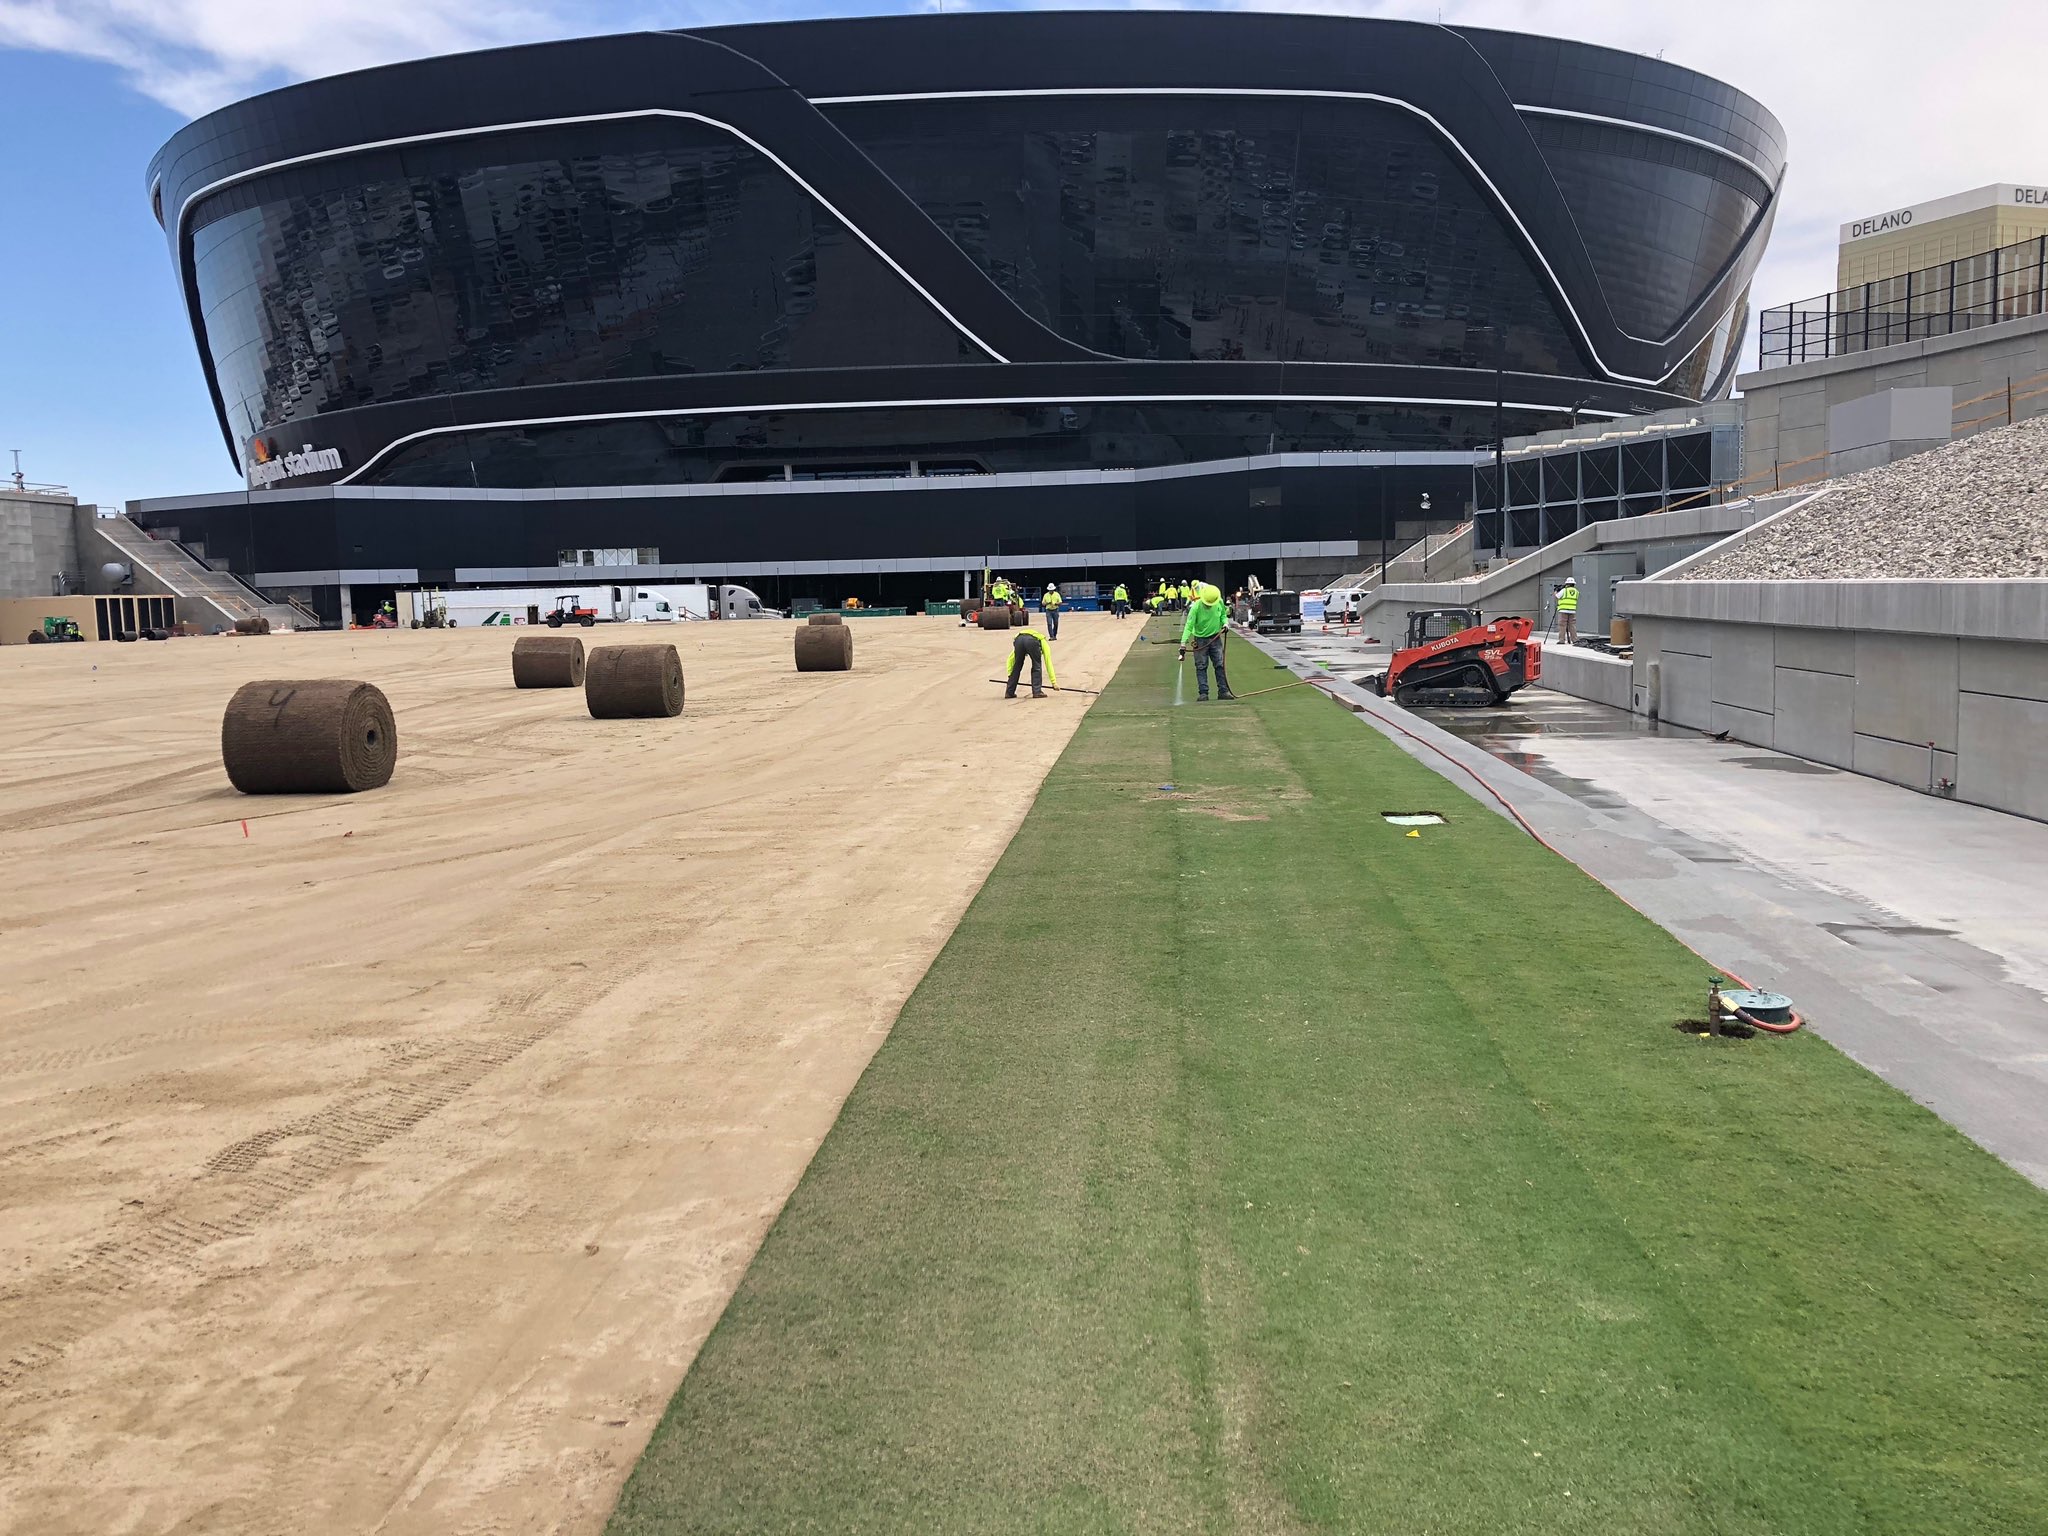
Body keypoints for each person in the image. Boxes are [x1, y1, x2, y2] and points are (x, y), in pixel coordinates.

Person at [1179, 582, 1235, 701]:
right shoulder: (1196, 607)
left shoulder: (1219, 601)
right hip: (1200, 640)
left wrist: (1225, 623)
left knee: (1220, 665)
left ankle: (1223, 691)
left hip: (1216, 638)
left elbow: (1223, 615)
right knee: (1201, 666)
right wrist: (1183, 643)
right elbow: (1189, 626)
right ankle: (1203, 693)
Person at [1005, 627, 1056, 698]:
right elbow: (1048, 662)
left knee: (1017, 665)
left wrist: (1010, 675)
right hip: (1032, 641)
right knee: (1036, 665)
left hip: (1018, 639)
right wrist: (1053, 682)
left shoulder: (1022, 638)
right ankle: (1037, 692)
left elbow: (1010, 659)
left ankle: (1009, 692)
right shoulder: (1043, 642)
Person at [1556, 577, 1579, 645]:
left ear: (1567, 584)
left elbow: (1557, 596)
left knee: (1562, 625)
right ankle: (1574, 640)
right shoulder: (1576, 591)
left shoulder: (1564, 590)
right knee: (1572, 625)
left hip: (1563, 610)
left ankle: (1562, 640)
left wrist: (1556, 591)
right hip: (1572, 611)